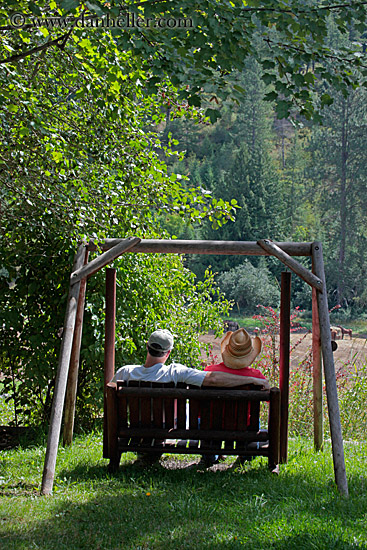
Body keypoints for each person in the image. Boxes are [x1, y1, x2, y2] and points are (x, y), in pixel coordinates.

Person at [111, 328, 269, 467]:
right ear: (169, 352)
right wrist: (253, 380)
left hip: (133, 430)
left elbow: (109, 397)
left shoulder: (124, 372)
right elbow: (213, 379)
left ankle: (145, 456)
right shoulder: (175, 372)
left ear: (147, 346)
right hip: (165, 430)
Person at [203, 327, 267, 467]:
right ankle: (245, 453)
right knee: (255, 421)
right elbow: (268, 398)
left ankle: (212, 453)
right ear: (249, 353)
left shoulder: (209, 372)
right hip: (244, 427)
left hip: (213, 427)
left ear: (227, 349)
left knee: (211, 416)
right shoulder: (256, 376)